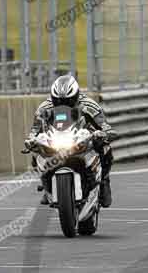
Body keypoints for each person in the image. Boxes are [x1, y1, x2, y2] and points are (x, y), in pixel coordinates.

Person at [26, 74, 117, 206]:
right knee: (36, 150)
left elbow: (104, 125)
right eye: (58, 101)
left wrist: (104, 133)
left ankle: (104, 181)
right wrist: (31, 140)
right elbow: (35, 129)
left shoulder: (89, 104)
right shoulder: (44, 107)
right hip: (56, 138)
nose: (62, 104)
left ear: (76, 96)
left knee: (105, 147)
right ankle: (46, 186)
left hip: (83, 138)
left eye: (67, 101)